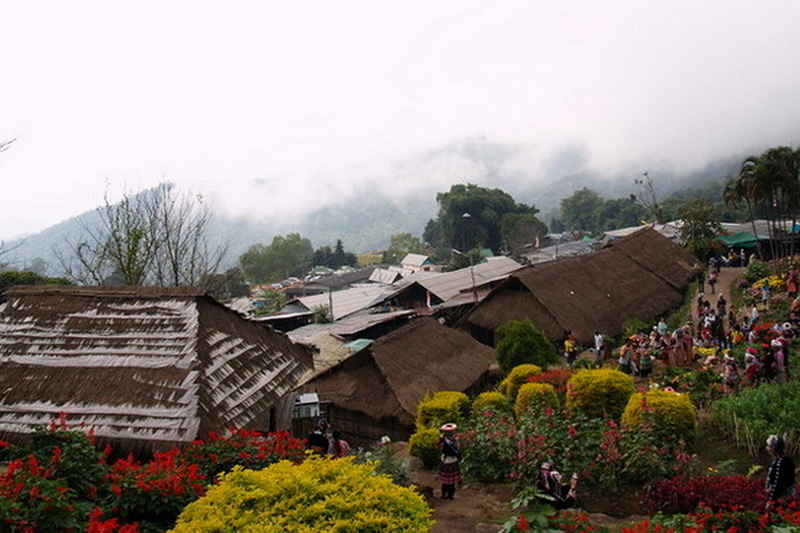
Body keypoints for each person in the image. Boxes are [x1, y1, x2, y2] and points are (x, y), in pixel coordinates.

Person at [765, 435, 796, 508]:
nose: (767, 448)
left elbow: (778, 483)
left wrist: (771, 500)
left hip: (782, 497)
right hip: (787, 494)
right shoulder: (786, 460)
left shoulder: (780, 464)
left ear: (774, 449)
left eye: (769, 446)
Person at [438, 423, 462, 500]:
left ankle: (443, 494)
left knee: (445, 481)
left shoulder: (442, 440)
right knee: (451, 482)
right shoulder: (451, 442)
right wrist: (457, 442)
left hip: (444, 461)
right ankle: (450, 496)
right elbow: (456, 451)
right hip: (451, 461)